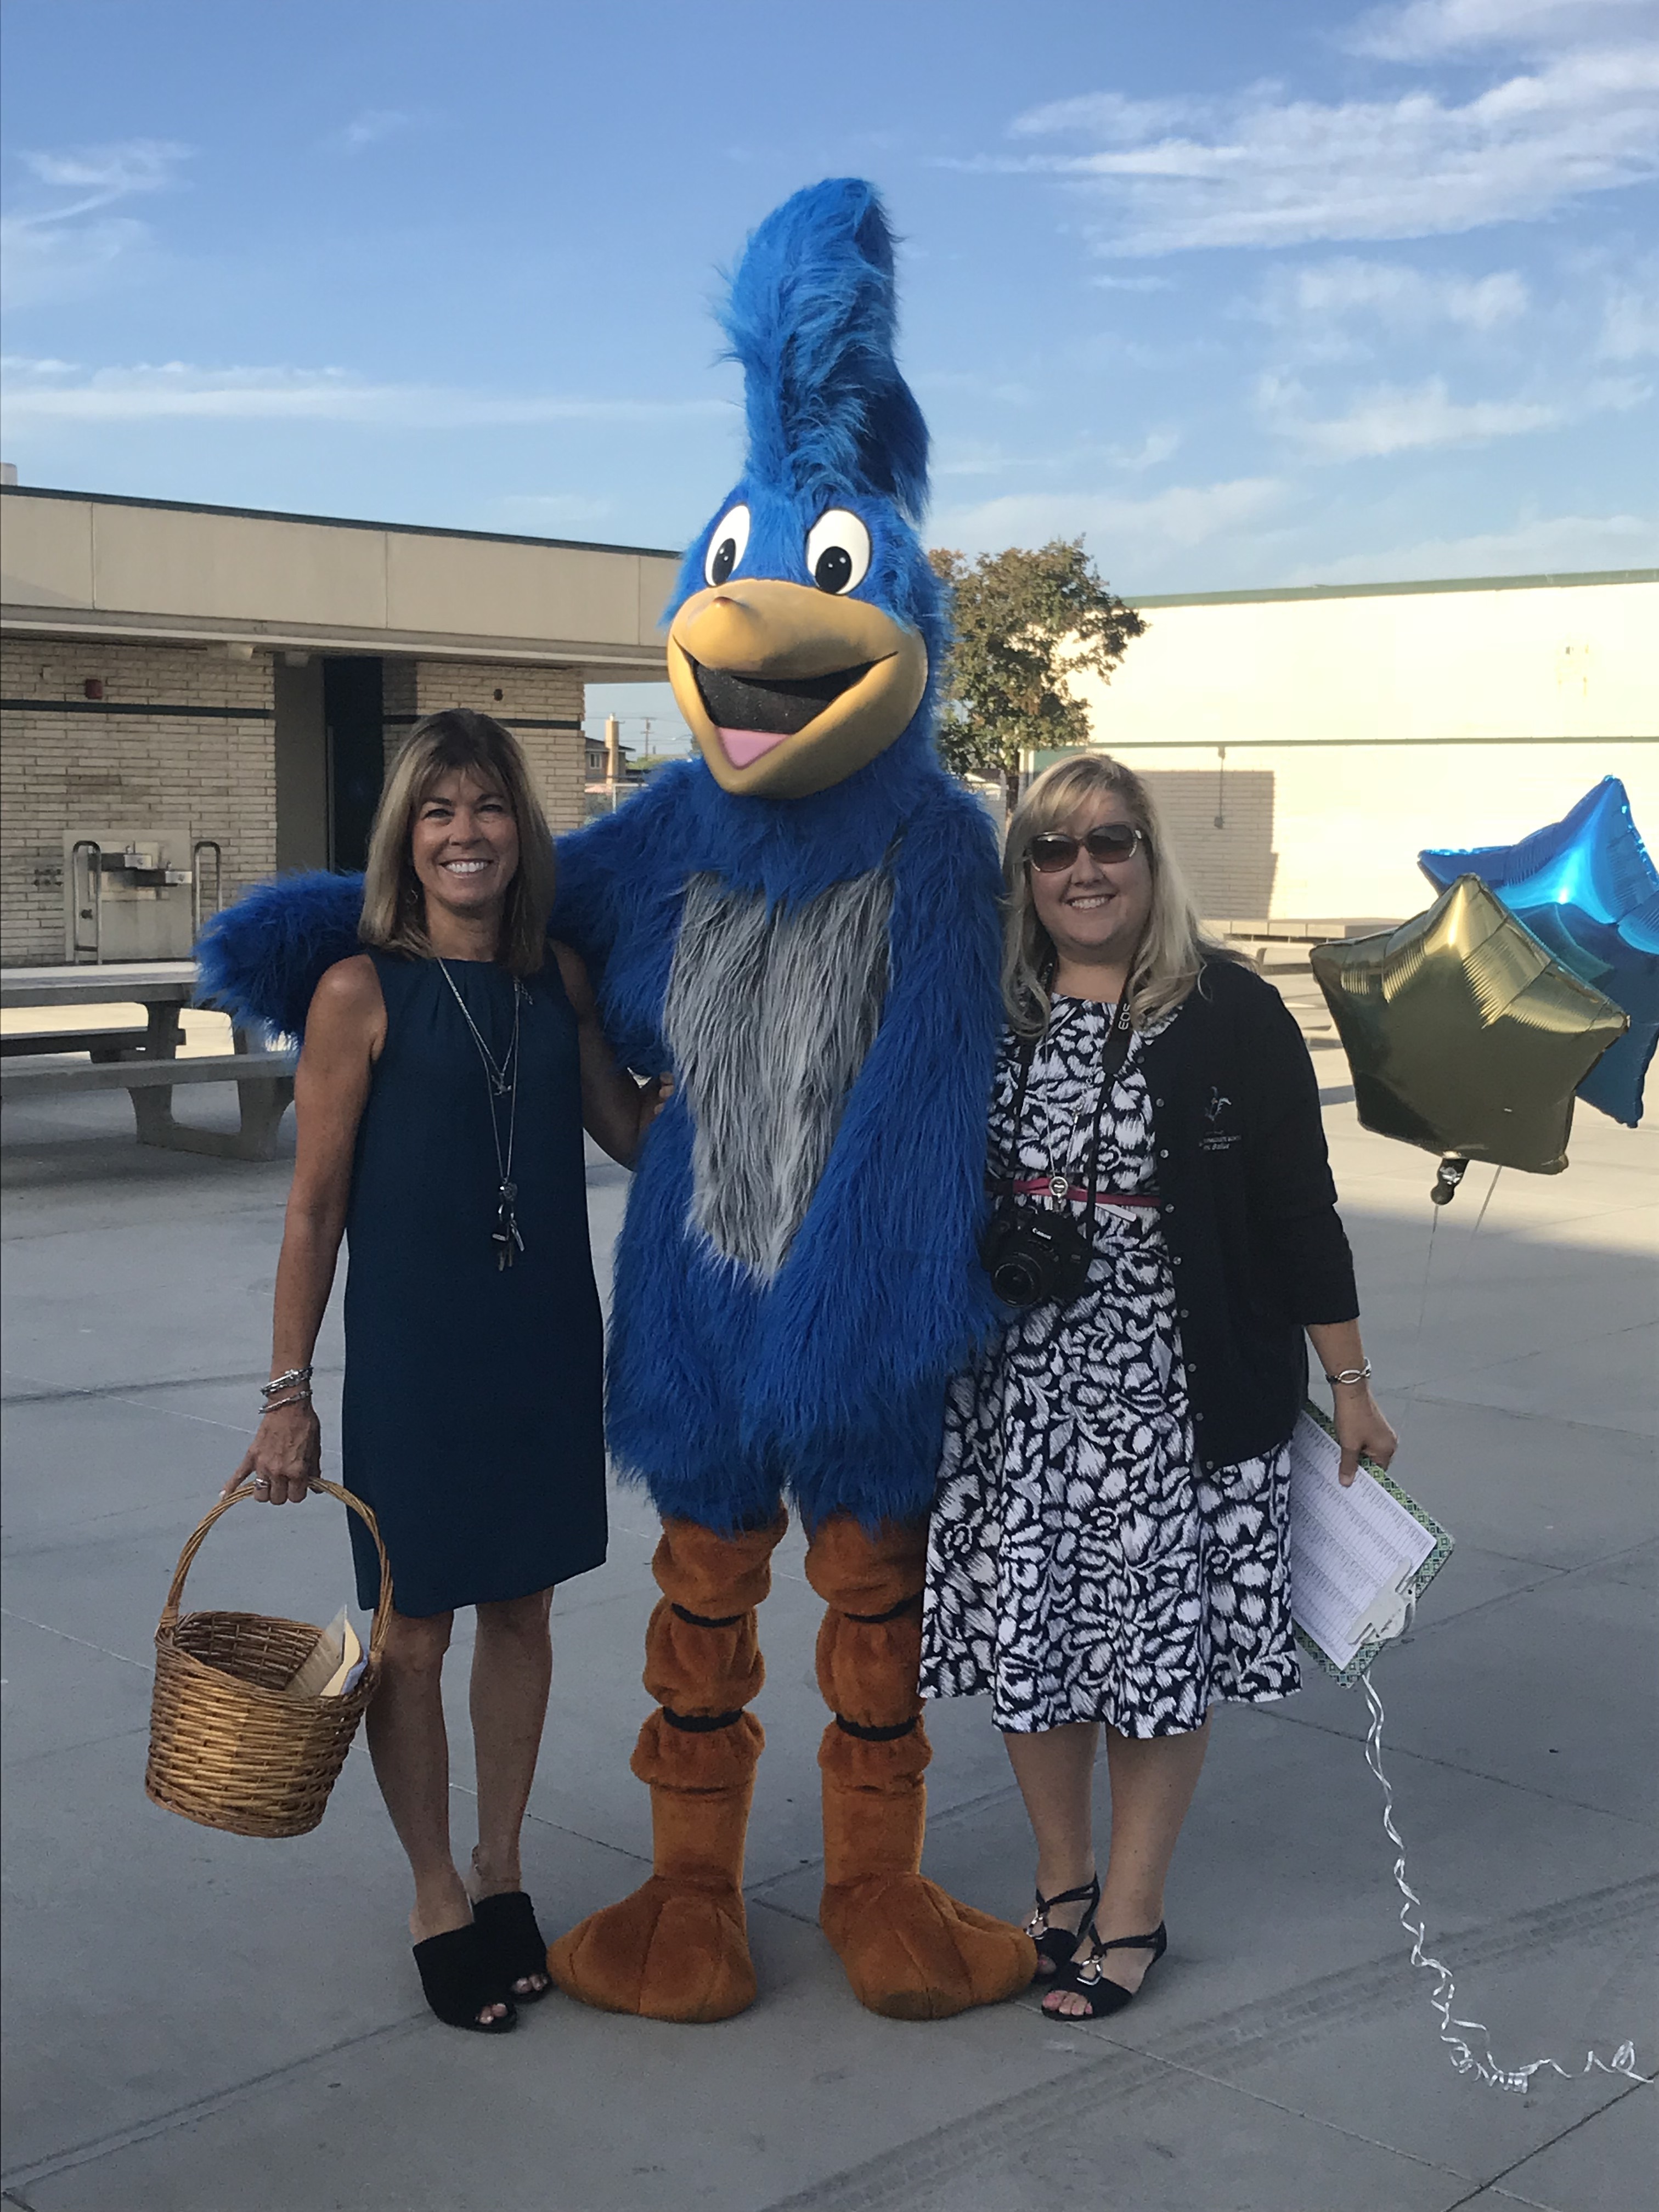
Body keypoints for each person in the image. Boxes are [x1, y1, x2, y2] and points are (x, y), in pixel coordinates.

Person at [918, 753, 1397, 2021]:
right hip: (1017, 1396)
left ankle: (1132, 1908)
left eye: (1111, 843)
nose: (1085, 870)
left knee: (1153, 1660)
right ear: (1025, 875)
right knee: (1034, 1648)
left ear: (1150, 860)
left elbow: (1302, 1213)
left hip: (1178, 1399)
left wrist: (1349, 1382)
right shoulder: (993, 1011)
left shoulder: (1229, 1011)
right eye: (1055, 850)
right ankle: (1059, 1884)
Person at [227, 709, 667, 2034]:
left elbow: (640, 1134)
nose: (465, 833)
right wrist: (286, 1391)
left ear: (517, 831)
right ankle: (433, 1890)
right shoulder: (359, 991)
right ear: (405, 842)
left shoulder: (558, 984)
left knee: (522, 1615)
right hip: (417, 1358)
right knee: (411, 1637)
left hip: (542, 1341)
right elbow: (313, 1210)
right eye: (438, 811)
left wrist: (757, 1045)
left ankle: (503, 1867)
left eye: (486, 808)